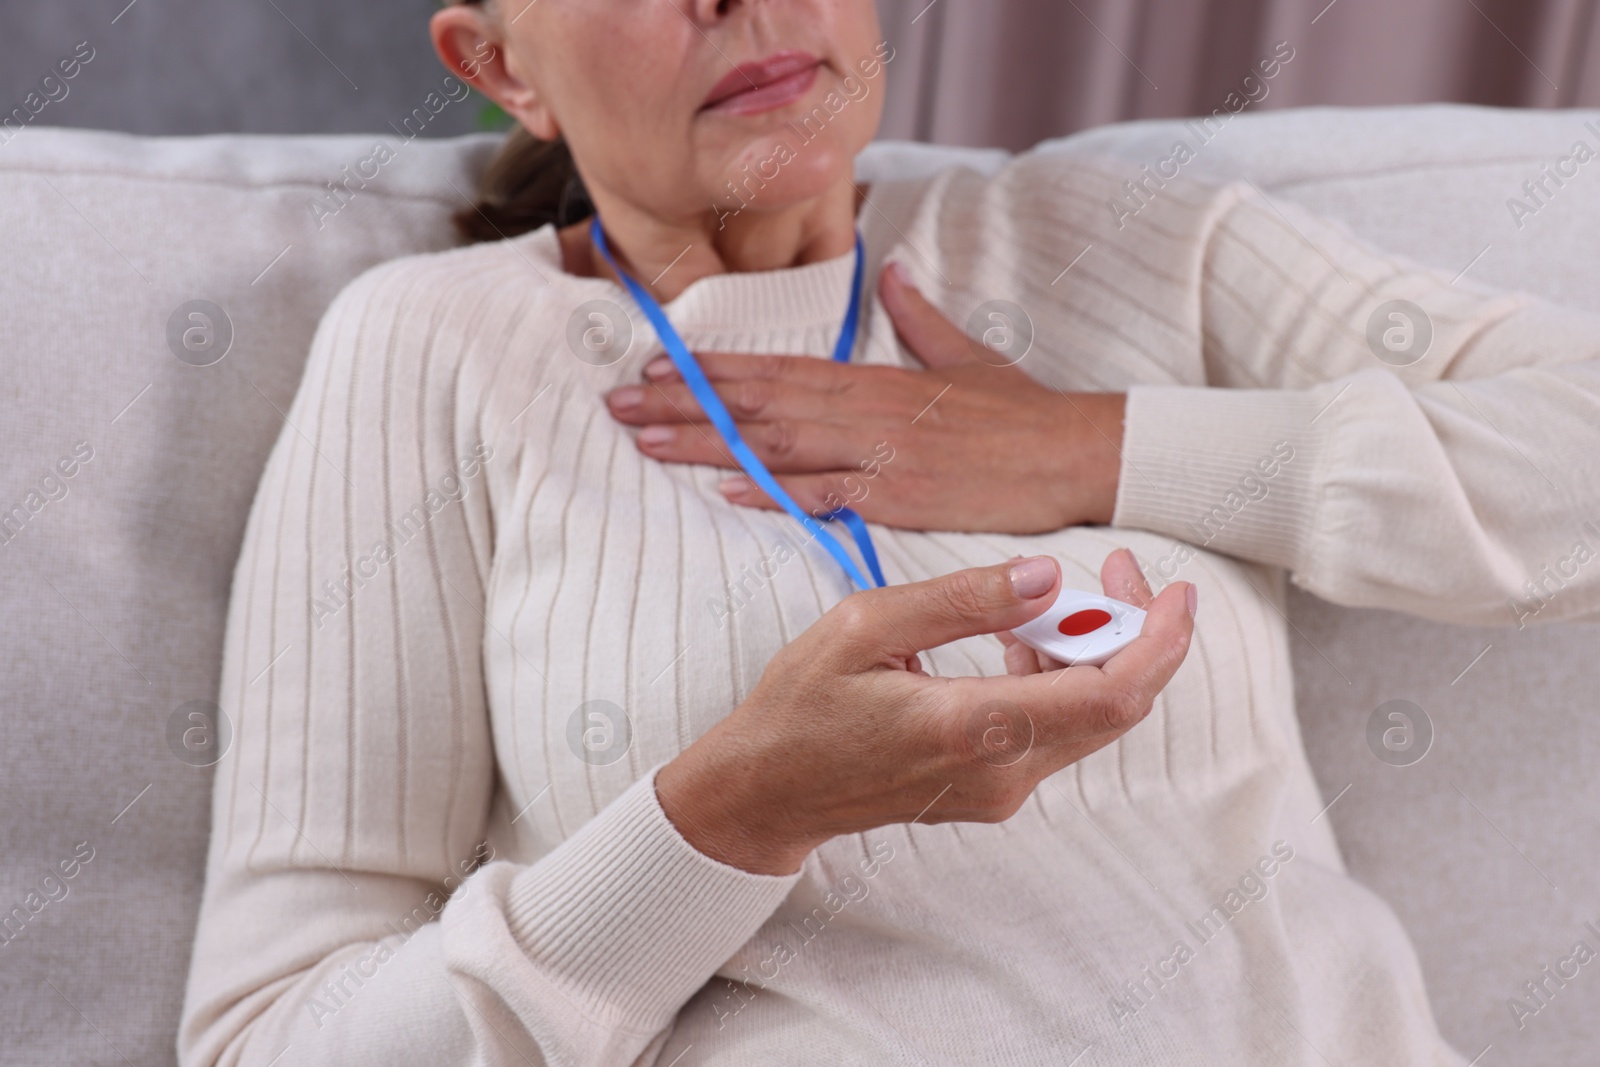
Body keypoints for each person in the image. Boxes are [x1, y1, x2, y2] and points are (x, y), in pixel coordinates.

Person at [179, 1, 1600, 1064]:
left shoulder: (1123, 243)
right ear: (501, 67)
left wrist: (1089, 444)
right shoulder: (437, 353)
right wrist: (731, 818)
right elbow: (275, 1033)